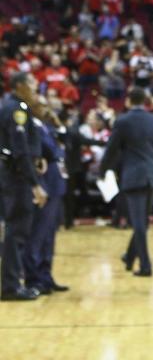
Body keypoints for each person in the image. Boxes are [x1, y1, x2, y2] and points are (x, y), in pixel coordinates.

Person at [100, 87, 153, 277]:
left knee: (138, 224)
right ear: (145, 101)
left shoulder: (122, 121)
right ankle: (130, 257)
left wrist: (102, 171)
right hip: (152, 175)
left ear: (128, 101)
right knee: (142, 222)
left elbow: (111, 149)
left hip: (132, 175)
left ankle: (146, 266)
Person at [0, 72, 49, 301]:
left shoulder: (14, 105)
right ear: (19, 85)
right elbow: (19, 149)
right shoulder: (16, 108)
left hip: (13, 174)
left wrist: (37, 158)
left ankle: (12, 282)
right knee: (16, 231)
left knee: (16, 230)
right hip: (16, 177)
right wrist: (35, 185)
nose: (35, 86)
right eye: (31, 82)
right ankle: (11, 286)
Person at [23, 115, 69, 295]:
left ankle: (46, 276)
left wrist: (58, 125)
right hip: (44, 181)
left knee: (49, 235)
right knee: (37, 235)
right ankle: (33, 279)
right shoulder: (32, 123)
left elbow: (64, 144)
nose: (46, 107)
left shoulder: (47, 125)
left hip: (56, 182)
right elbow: (50, 149)